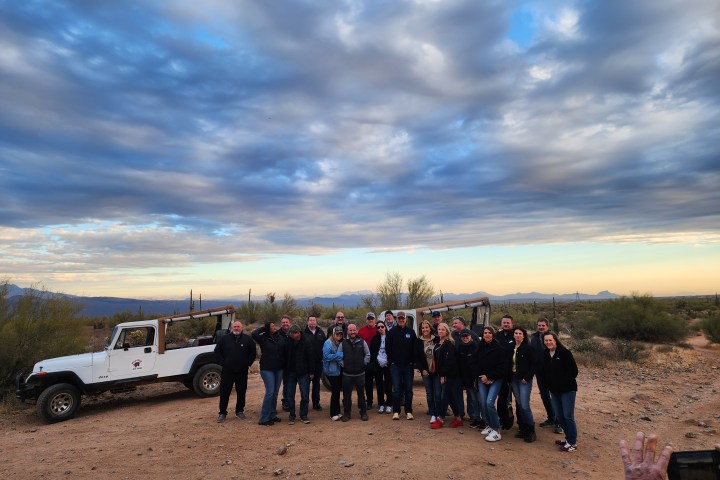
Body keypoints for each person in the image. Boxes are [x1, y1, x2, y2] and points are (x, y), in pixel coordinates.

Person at [542, 331, 579, 452]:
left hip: (567, 390)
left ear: (555, 340)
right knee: (560, 415)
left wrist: (562, 383)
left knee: (568, 416)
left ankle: (572, 442)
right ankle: (568, 439)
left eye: (550, 340)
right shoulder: (546, 354)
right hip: (554, 391)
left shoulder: (564, 353)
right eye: (546, 340)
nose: (548, 342)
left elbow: (573, 371)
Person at [214, 320, 256, 422]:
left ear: (242, 328)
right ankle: (222, 413)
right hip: (227, 371)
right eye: (235, 326)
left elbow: (253, 353)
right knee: (224, 392)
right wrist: (223, 363)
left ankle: (239, 411)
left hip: (242, 371)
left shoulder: (248, 339)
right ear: (232, 328)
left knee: (241, 392)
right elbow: (217, 351)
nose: (236, 328)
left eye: (238, 327)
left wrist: (247, 363)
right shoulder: (224, 339)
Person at [252, 320, 287, 426]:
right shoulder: (263, 338)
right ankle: (264, 418)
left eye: (274, 325)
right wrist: (264, 328)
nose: (274, 327)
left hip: (279, 368)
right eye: (271, 326)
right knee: (270, 392)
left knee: (275, 392)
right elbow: (253, 334)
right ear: (268, 328)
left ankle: (272, 414)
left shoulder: (279, 337)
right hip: (267, 369)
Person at [530, 317, 561, 433]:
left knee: (555, 396)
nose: (541, 327)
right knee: (545, 396)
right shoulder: (533, 337)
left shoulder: (552, 337)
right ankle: (551, 418)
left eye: (543, 325)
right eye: (539, 325)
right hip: (539, 372)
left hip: (552, 372)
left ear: (547, 326)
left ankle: (559, 422)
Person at [478, 326, 508, 442]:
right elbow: (474, 363)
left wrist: (490, 377)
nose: (487, 335)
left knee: (490, 402)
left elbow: (502, 367)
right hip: (482, 378)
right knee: (483, 403)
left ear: (493, 334)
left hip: (496, 379)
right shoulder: (479, 347)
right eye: (485, 333)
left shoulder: (500, 348)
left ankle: (497, 430)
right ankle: (490, 425)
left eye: (489, 333)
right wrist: (482, 376)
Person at [386, 311, 417, 420]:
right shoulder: (391, 332)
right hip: (395, 366)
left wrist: (412, 361)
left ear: (406, 319)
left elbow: (415, 348)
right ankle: (396, 411)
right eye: (399, 318)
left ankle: (408, 411)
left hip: (408, 366)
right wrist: (391, 362)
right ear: (396, 319)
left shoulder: (411, 332)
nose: (401, 320)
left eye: (403, 318)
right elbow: (387, 348)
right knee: (396, 389)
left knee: (408, 389)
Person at [338, 324, 370, 421]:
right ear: (347, 331)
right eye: (350, 330)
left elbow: (367, 354)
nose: (352, 332)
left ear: (357, 331)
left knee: (361, 394)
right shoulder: (343, 343)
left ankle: (363, 412)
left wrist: (363, 364)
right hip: (347, 374)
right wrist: (344, 365)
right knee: (347, 395)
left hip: (360, 374)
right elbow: (339, 357)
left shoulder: (362, 342)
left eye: (354, 330)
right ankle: (347, 413)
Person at [431, 323, 460, 429]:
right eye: (439, 329)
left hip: (449, 374)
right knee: (450, 396)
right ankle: (458, 418)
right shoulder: (438, 343)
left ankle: (440, 419)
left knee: (444, 396)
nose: (440, 331)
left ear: (447, 331)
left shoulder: (449, 344)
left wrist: (443, 375)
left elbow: (449, 362)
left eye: (443, 330)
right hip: (441, 373)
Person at [511, 327, 536, 442]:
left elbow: (533, 365)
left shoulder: (528, 348)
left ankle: (531, 430)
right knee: (520, 404)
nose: (517, 335)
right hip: (514, 379)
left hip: (524, 380)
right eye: (515, 333)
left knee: (525, 405)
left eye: (520, 333)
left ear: (524, 335)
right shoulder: (511, 347)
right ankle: (524, 428)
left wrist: (527, 377)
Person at [285, 324, 314, 424]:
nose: (291, 336)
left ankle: (303, 415)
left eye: (292, 334)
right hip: (291, 373)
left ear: (297, 333)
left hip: (304, 373)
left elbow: (311, 358)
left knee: (305, 396)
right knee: (289, 395)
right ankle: (292, 415)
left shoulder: (306, 341)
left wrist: (311, 372)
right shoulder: (289, 341)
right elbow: (285, 357)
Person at [457, 328, 483, 429]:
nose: (465, 338)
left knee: (478, 399)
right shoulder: (460, 347)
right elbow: (459, 363)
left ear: (470, 336)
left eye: (467, 336)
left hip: (475, 378)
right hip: (465, 378)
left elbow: (479, 363)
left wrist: (477, 377)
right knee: (472, 398)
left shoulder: (476, 346)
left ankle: (481, 418)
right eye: (463, 337)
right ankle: (476, 417)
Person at [415, 320, 438, 423]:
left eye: (426, 327)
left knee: (438, 393)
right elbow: (417, 358)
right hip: (426, 372)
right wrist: (422, 369)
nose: (425, 329)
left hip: (436, 371)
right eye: (423, 328)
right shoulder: (418, 341)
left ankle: (439, 413)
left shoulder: (437, 339)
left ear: (430, 328)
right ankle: (433, 414)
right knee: (429, 393)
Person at [496, 314, 516, 430]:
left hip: (514, 373)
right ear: (501, 323)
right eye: (504, 322)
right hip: (502, 373)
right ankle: (503, 421)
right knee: (503, 399)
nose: (506, 324)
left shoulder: (516, 335)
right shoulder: (497, 336)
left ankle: (521, 423)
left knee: (519, 401)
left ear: (511, 324)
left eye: (508, 322)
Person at [304, 315, 326, 411]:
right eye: (310, 320)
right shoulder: (303, 333)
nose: (312, 322)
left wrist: (323, 357)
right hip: (307, 364)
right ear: (307, 322)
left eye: (314, 320)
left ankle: (316, 403)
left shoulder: (320, 332)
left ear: (316, 322)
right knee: (306, 384)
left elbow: (325, 346)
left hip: (318, 363)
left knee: (316, 384)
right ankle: (305, 404)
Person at [370, 319, 392, 414]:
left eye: (382, 327)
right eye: (378, 327)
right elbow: (372, 352)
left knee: (389, 385)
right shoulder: (375, 338)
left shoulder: (390, 337)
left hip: (388, 364)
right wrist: (376, 362)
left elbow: (393, 350)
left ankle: (389, 404)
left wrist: (390, 361)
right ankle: (381, 404)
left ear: (385, 327)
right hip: (378, 364)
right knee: (379, 385)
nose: (380, 328)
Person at [323, 326, 345, 421]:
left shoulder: (340, 342)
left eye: (340, 334)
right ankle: (333, 414)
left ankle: (338, 412)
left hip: (338, 370)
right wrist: (340, 355)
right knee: (335, 392)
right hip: (331, 371)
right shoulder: (328, 342)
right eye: (337, 334)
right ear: (333, 334)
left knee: (337, 392)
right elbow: (326, 356)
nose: (339, 335)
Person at [358, 312, 378, 409]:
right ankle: (369, 402)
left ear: (375, 319)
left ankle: (382, 402)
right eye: (369, 319)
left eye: (372, 318)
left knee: (380, 382)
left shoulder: (379, 329)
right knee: (368, 382)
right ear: (366, 320)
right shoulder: (361, 331)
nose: (370, 320)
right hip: (367, 359)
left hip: (378, 359)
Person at [278, 315, 292, 412]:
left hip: (290, 364)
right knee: (276, 386)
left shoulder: (293, 333)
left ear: (289, 323)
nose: (285, 324)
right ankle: (273, 405)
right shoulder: (277, 334)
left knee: (288, 384)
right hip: (279, 364)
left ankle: (287, 402)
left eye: (286, 322)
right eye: (283, 322)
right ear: (281, 324)